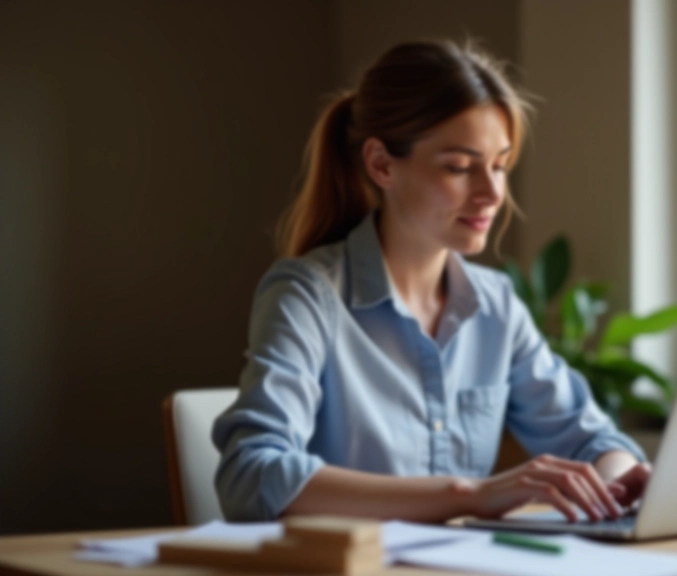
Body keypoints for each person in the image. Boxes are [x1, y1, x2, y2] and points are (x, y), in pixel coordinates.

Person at [212, 39, 651, 524]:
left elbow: (599, 442)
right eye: (459, 167)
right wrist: (468, 494)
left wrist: (615, 480)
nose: (491, 193)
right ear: (381, 164)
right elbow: (249, 475)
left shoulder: (497, 306)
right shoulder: (306, 296)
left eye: (500, 165)